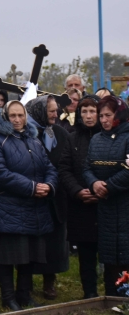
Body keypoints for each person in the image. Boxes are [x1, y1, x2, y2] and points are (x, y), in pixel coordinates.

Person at [0, 100, 57, 310]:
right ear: (5, 117)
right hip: (9, 206)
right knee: (9, 256)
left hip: (35, 206)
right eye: (13, 116)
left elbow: (49, 167)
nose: (17, 120)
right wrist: (32, 187)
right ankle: (8, 298)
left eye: (21, 115)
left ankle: (24, 295)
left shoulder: (34, 140)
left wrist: (49, 186)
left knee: (31, 255)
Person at [82, 95, 129, 296]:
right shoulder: (96, 139)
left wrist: (109, 186)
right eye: (101, 115)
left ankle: (125, 293)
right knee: (109, 248)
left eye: (108, 115)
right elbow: (87, 167)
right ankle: (112, 292)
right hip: (105, 206)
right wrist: (94, 183)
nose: (103, 120)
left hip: (125, 202)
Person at [25, 95, 70, 299]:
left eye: (56, 110)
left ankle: (49, 282)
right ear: (39, 111)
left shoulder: (60, 133)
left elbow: (67, 162)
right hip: (32, 195)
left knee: (54, 242)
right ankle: (26, 284)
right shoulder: (27, 134)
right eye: (51, 110)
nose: (55, 114)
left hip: (55, 196)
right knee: (34, 243)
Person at [58, 95, 101, 298]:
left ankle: (116, 289)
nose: (88, 116)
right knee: (86, 252)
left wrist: (102, 191)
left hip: (105, 202)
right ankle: (90, 293)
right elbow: (64, 168)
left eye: (93, 111)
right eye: (84, 111)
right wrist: (77, 190)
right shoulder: (73, 138)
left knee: (111, 251)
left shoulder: (107, 136)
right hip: (81, 204)